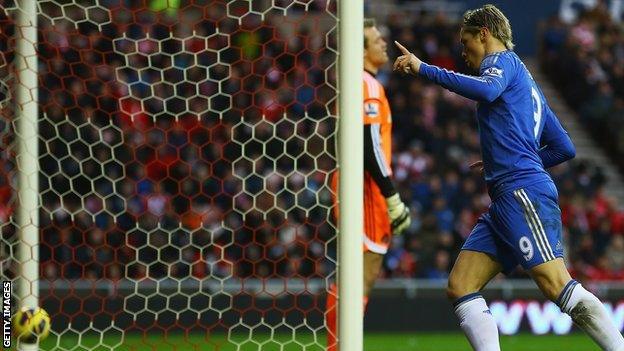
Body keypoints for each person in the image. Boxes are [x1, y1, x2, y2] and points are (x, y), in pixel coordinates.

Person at [394, 4, 624, 351]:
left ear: (483, 34)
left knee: (555, 283)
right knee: (461, 285)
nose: (463, 50)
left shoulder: (500, 64)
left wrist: (424, 68)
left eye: (465, 41)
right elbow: (564, 147)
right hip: (506, 196)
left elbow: (486, 91)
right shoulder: (527, 83)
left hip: (522, 192)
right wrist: (505, 161)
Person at [326, 18, 411, 351]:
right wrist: (392, 198)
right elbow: (369, 142)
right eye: (376, 40)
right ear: (359, 50)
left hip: (353, 185)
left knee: (354, 277)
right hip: (364, 190)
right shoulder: (367, 85)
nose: (383, 44)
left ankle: (339, 345)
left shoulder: (356, 84)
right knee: (360, 277)